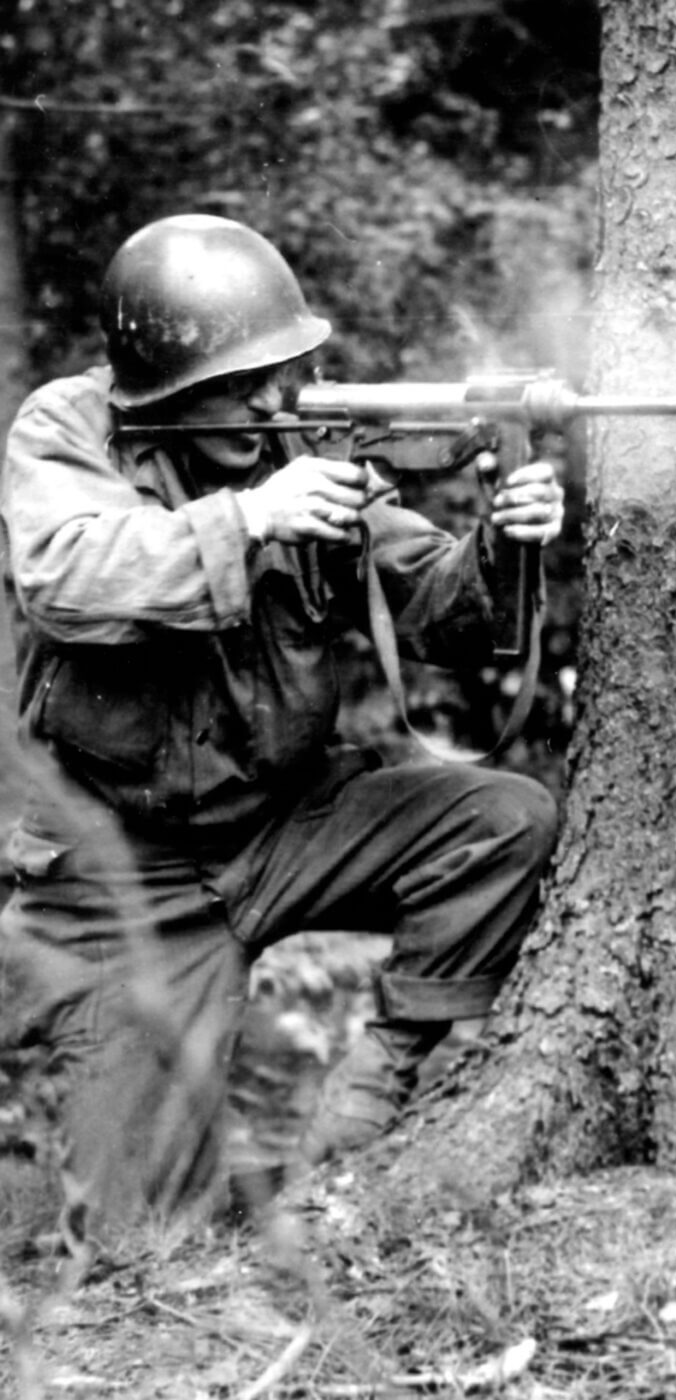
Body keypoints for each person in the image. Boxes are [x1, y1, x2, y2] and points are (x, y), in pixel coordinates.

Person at [0, 213, 562, 1237]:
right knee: (135, 1238)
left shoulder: (300, 438)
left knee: (501, 817)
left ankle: (369, 1115)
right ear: (159, 387)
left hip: (285, 823)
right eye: (237, 381)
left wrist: (503, 542)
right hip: (125, 880)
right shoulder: (65, 429)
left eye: (282, 370)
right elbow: (66, 575)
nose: (269, 399)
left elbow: (438, 608)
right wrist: (254, 517)